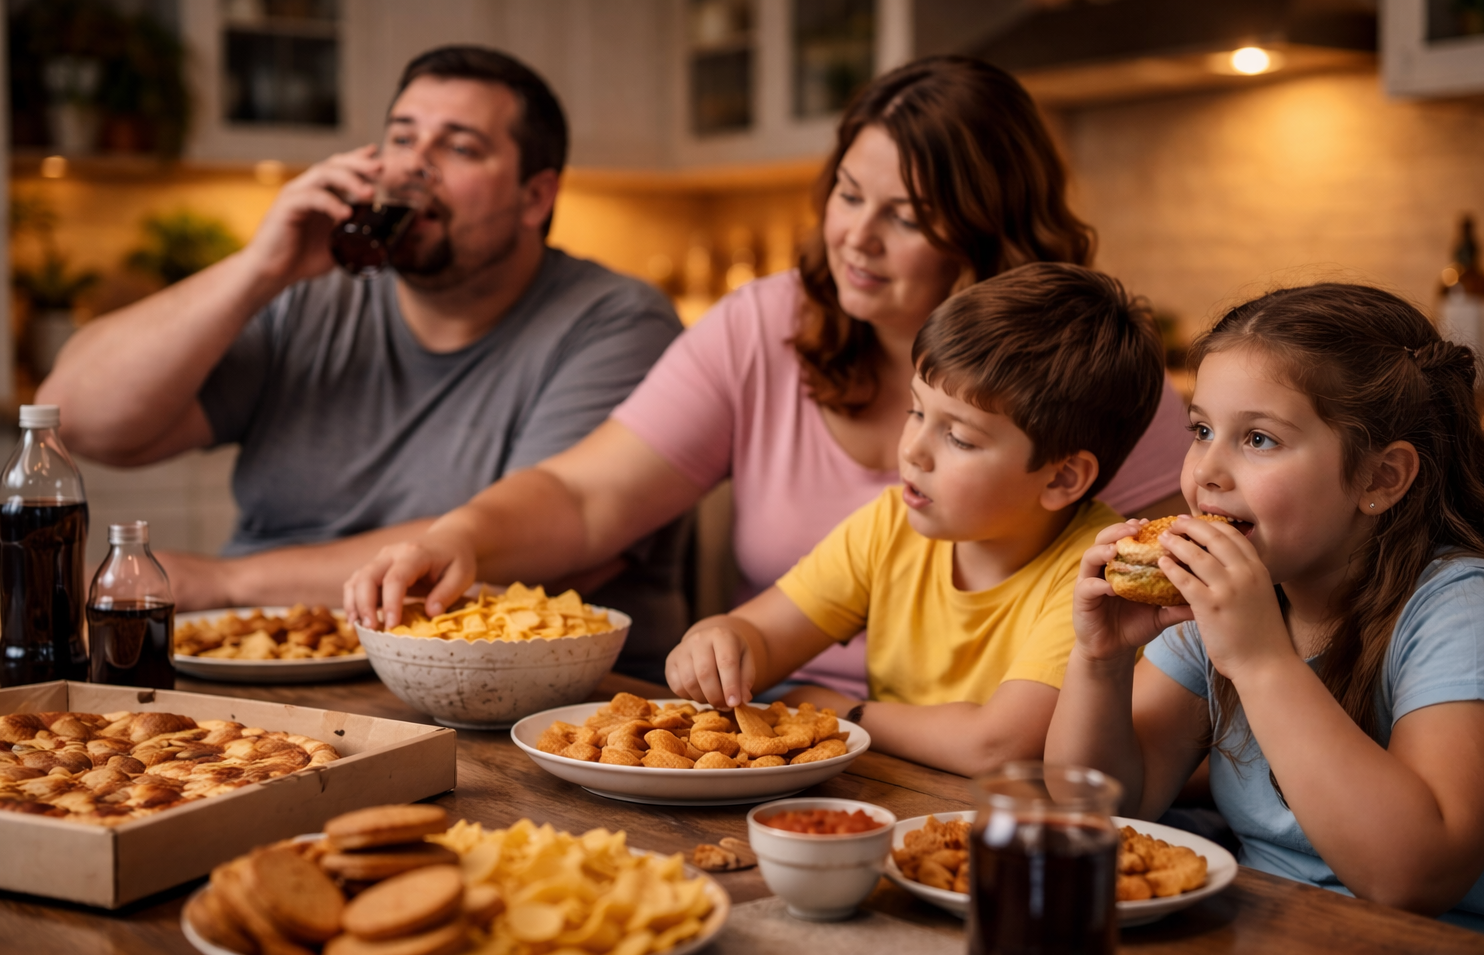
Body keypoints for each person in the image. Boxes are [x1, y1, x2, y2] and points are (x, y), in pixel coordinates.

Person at [345, 55, 1189, 700]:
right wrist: (460, 537)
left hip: (995, 757)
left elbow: (1168, 625)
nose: (855, 238)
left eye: (906, 216)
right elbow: (586, 496)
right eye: (849, 195)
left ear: (990, 232)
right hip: (782, 730)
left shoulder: (1096, 386)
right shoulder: (762, 326)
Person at [36, 46, 688, 675]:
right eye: (402, 139)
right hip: (259, 660)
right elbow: (80, 422)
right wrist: (259, 270)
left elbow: (542, 540)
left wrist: (229, 581)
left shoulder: (614, 323)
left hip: (506, 693)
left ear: (535, 198)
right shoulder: (309, 295)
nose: (415, 166)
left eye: (460, 147)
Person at [1045, 284, 1484, 955]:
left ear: (1380, 478)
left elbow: (1413, 875)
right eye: (1201, 428)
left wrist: (1261, 661)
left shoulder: (1469, 607)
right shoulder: (1232, 596)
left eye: (1259, 439)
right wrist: (1101, 663)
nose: (1207, 471)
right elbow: (1108, 803)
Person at [665, 263, 1164, 776]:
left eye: (960, 438)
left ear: (1061, 479)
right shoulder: (890, 524)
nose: (913, 451)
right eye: (916, 411)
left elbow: (997, 745)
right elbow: (764, 637)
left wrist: (842, 713)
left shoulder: (1092, 575)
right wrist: (718, 641)